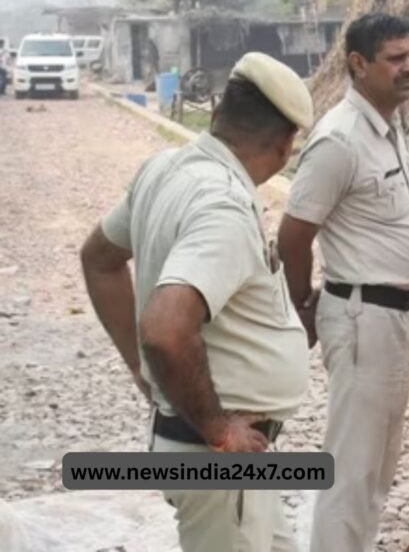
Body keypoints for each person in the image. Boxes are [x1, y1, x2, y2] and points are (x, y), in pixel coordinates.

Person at [80, 52, 314, 552]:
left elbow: (99, 258)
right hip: (217, 457)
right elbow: (165, 330)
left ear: (217, 113)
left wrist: (145, 371)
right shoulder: (222, 204)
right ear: (284, 144)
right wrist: (216, 427)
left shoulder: (166, 168)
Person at [276, 13, 409, 552]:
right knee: (352, 469)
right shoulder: (340, 138)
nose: (408, 67)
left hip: (395, 316)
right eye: (395, 58)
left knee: (378, 466)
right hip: (364, 317)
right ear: (359, 64)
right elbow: (293, 235)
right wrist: (303, 306)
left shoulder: (389, 128)